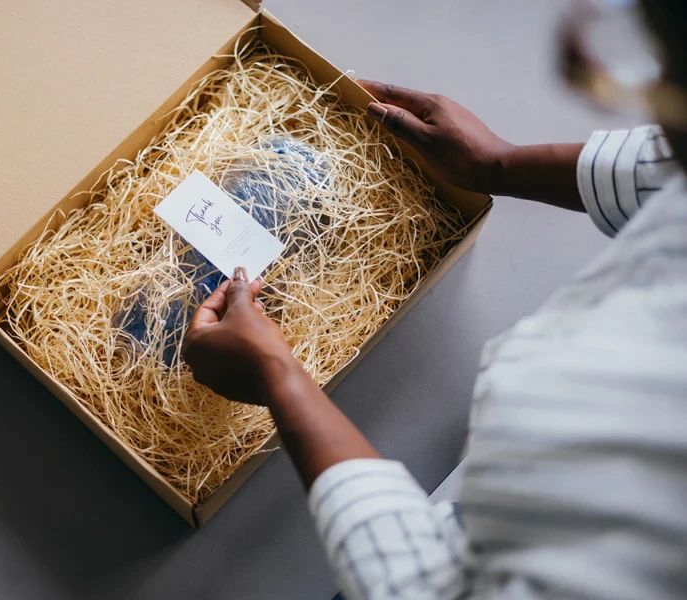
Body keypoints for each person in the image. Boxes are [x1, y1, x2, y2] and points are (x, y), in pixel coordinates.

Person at [182, 1, 687, 598]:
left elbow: (421, 587)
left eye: (659, 73)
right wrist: (496, 164)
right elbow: (665, 172)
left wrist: (277, 376)